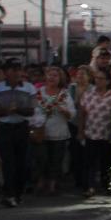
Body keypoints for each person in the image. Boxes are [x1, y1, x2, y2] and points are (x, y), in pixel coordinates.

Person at [0, 61, 37, 207]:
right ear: (6, 72)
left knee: (21, 162)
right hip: (5, 127)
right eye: (13, 70)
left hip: (21, 127)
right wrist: (5, 111)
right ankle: (9, 193)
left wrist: (17, 110)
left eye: (18, 70)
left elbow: (31, 110)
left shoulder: (29, 87)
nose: (16, 73)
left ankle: (18, 192)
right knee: (8, 162)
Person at [34, 66, 76, 197]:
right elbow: (33, 109)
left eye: (55, 76)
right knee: (41, 158)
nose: (52, 78)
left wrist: (65, 111)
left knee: (56, 159)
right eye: (50, 75)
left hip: (59, 132)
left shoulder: (64, 94)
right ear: (46, 77)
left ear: (60, 78)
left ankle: (52, 184)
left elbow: (72, 113)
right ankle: (41, 180)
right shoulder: (39, 92)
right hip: (41, 131)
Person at [79, 69, 111, 196]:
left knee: (106, 161)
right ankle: (89, 186)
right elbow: (82, 113)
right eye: (97, 78)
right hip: (91, 132)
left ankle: (106, 185)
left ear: (107, 81)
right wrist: (81, 131)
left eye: (101, 78)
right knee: (89, 162)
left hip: (107, 133)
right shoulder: (88, 94)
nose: (98, 81)